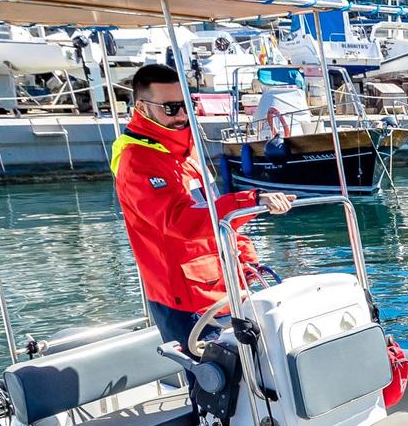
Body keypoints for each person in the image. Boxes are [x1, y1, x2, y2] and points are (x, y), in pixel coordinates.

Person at [110, 63, 293, 348]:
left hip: (224, 285)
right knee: (215, 385)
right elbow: (179, 221)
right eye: (171, 108)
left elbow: (213, 208)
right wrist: (251, 200)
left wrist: (245, 257)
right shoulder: (137, 161)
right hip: (184, 298)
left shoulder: (187, 150)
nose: (182, 115)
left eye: (186, 105)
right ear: (142, 107)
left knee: (253, 377)